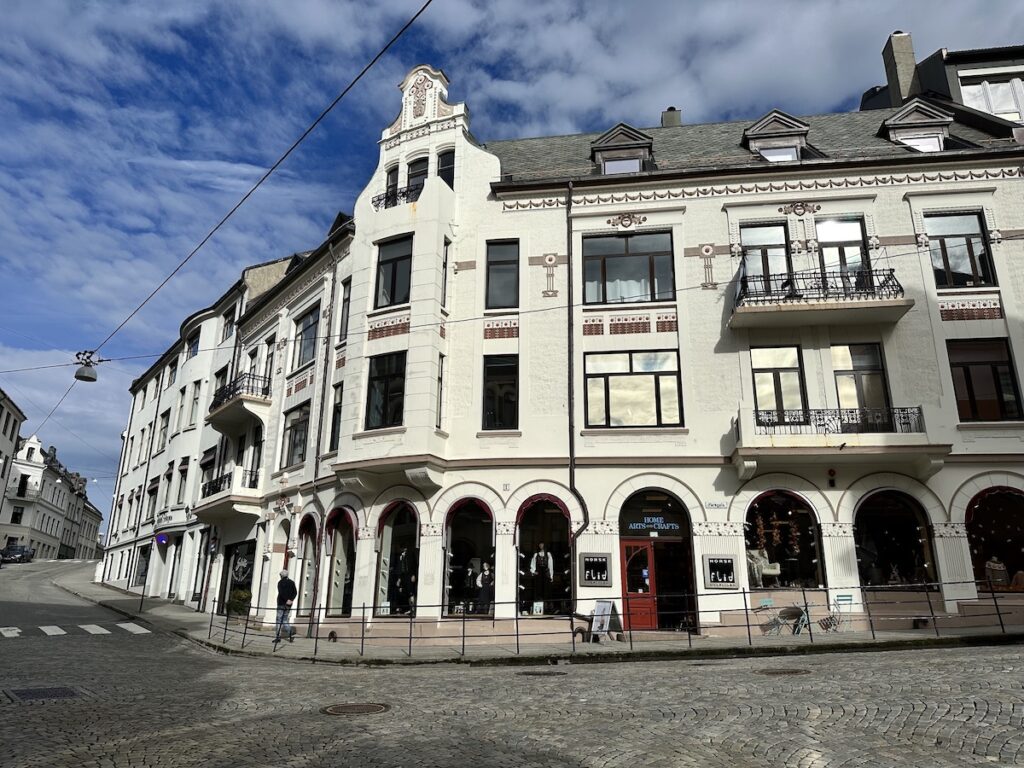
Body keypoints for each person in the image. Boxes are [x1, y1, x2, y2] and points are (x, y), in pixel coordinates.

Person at [275, 569, 297, 643]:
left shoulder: (280, 583)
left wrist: (286, 599)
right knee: (284, 620)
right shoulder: (292, 582)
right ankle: (290, 633)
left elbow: (281, 593)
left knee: (278, 620)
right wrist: (291, 599)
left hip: (281, 603)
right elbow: (295, 592)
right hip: (288, 604)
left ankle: (278, 637)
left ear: (281, 576)